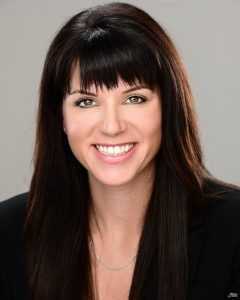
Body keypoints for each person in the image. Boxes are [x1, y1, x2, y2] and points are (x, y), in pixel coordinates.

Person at [0, 2, 240, 300]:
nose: (112, 127)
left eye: (135, 99)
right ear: (60, 117)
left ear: (168, 107)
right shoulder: (7, 232)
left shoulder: (232, 228)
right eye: (86, 102)